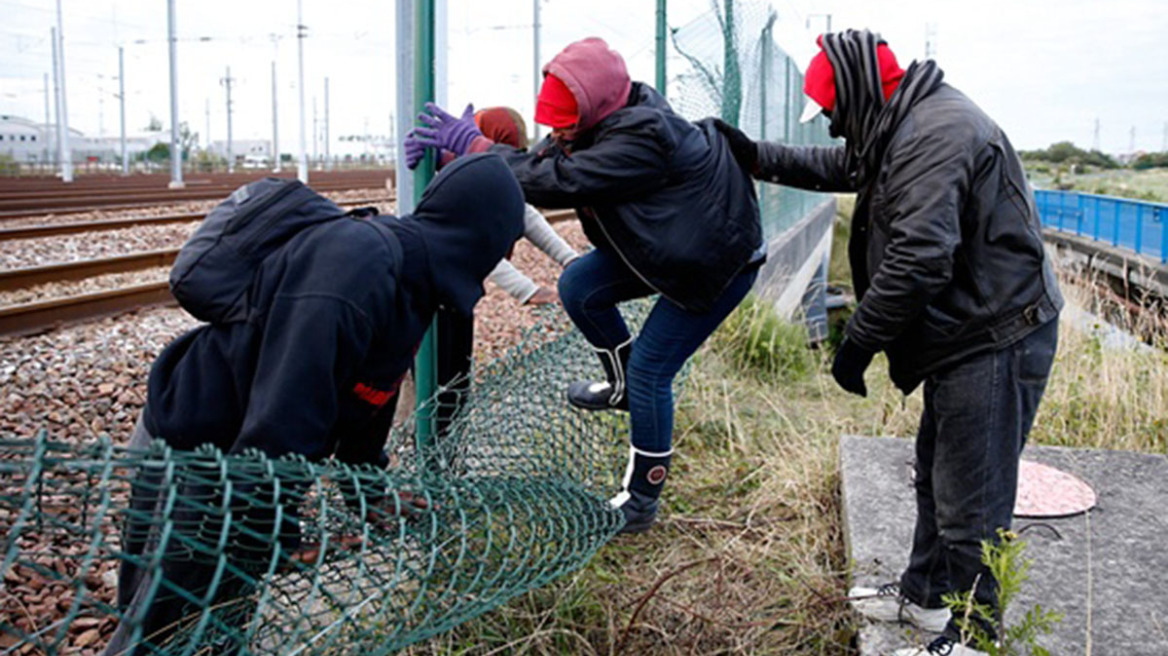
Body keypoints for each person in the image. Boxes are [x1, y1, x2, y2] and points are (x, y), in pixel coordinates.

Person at [714, 29, 1063, 656]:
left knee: (972, 501)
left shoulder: (936, 134)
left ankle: (972, 639)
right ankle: (926, 600)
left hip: (997, 335)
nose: (829, 124)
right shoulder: (900, 122)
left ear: (856, 95)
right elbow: (842, 165)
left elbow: (920, 259)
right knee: (937, 474)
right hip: (969, 330)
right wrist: (756, 154)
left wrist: (859, 341)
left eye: (830, 111)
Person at [104, 153, 525, 656]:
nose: (510, 257)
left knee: (221, 623)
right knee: (161, 627)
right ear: (481, 233)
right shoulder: (359, 265)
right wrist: (274, 534)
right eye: (507, 242)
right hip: (196, 445)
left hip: (245, 464)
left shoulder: (413, 282)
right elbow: (287, 408)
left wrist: (367, 486)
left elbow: (371, 391)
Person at [406, 36, 764, 535]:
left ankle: (640, 501)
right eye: (556, 125)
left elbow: (561, 180)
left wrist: (477, 147)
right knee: (579, 284)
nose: (559, 135)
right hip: (667, 246)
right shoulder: (594, 121)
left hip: (713, 264)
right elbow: (538, 165)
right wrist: (466, 158)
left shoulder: (641, 138)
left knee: (652, 372)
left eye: (566, 126)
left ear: (593, 107)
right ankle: (620, 386)